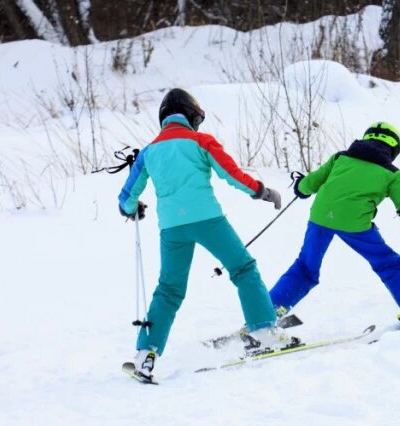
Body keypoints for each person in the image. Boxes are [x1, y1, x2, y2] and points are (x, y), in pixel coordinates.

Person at [118, 88, 291, 380]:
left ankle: (145, 355)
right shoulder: (201, 141)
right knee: (243, 268)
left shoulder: (149, 151)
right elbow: (233, 174)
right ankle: (264, 332)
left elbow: (126, 198)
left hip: (171, 228)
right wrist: (262, 191)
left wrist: (132, 208)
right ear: (190, 115)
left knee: (169, 290)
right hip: (208, 220)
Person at [269, 122, 400, 326]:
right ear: (393, 149)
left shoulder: (340, 158)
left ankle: (267, 315)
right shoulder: (391, 174)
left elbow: (309, 184)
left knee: (305, 268)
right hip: (355, 223)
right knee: (389, 263)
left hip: (320, 217)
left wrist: (300, 186)